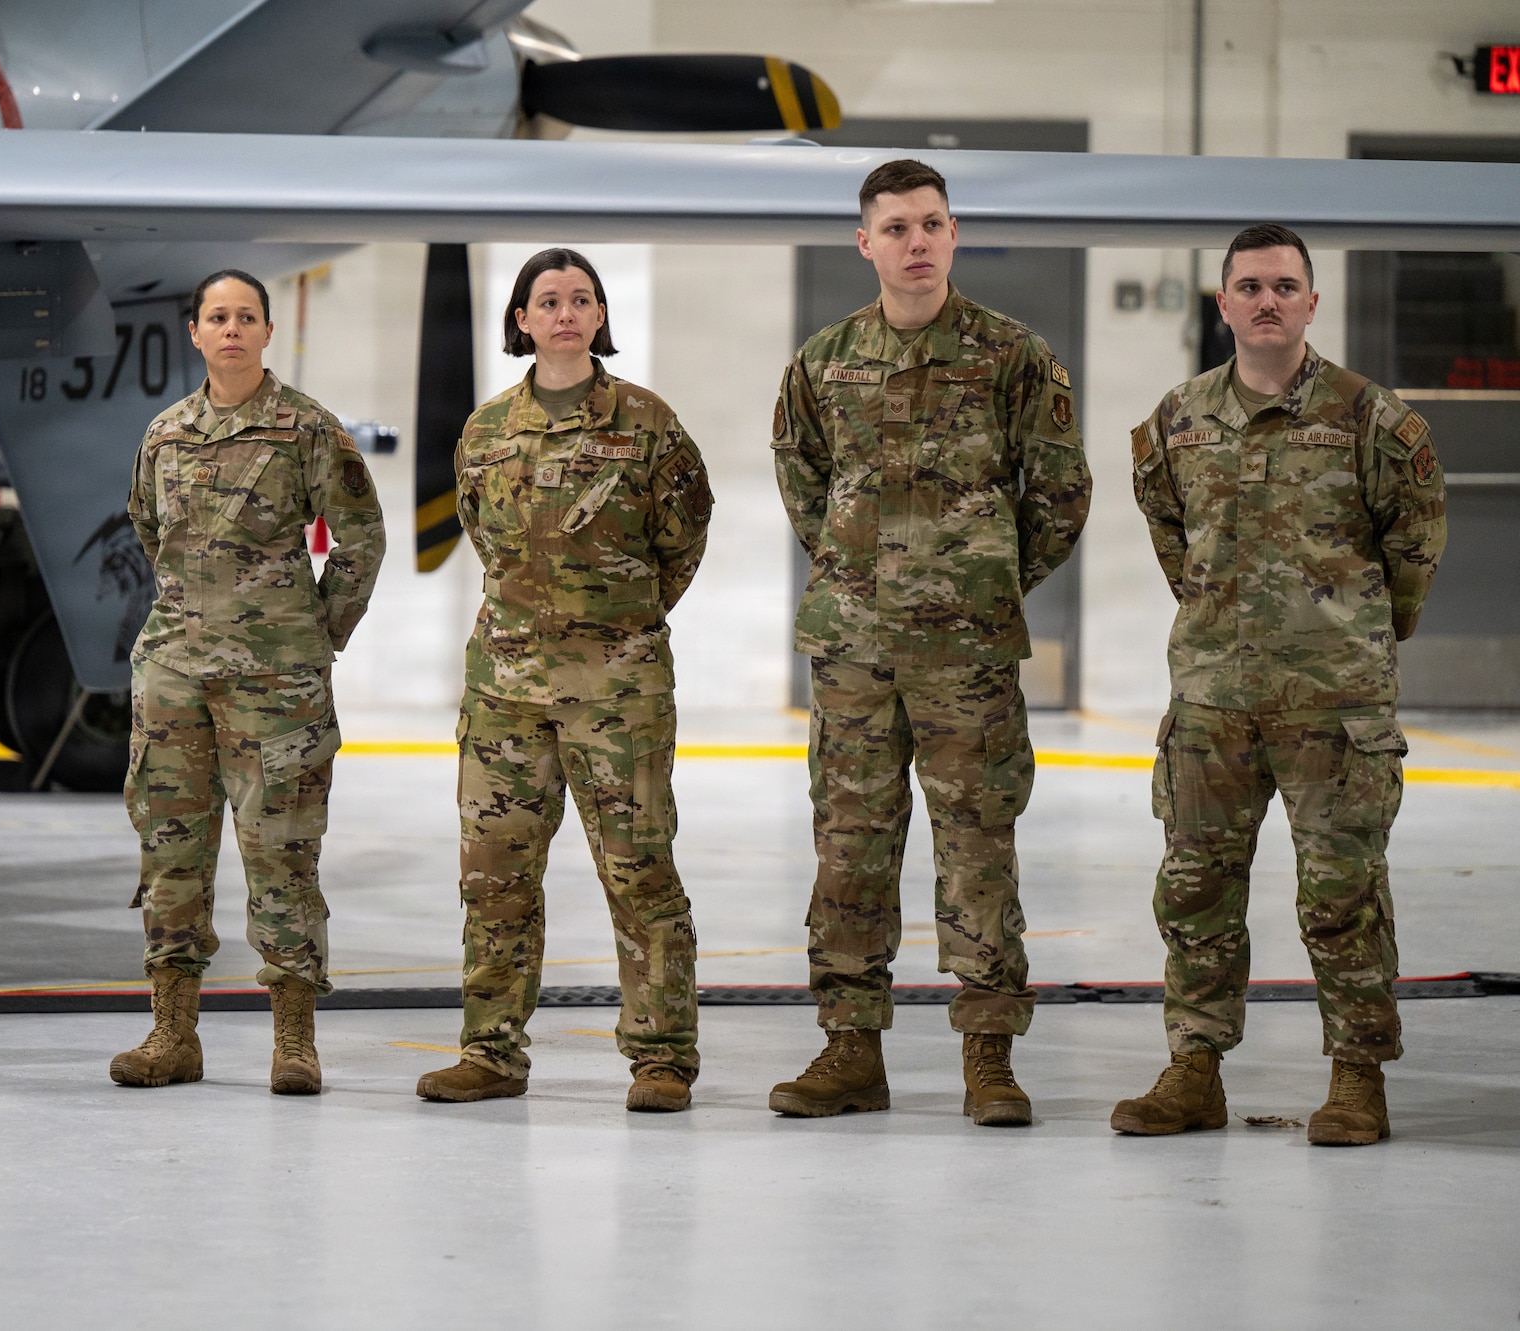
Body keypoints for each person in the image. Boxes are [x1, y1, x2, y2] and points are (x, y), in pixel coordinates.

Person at [767, 159, 1090, 1124]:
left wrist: (980, 582)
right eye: (897, 226)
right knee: (849, 848)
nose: (917, 241)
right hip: (855, 652)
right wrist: (863, 576)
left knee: (979, 845)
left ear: (954, 236)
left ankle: (989, 1054)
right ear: (864, 242)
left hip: (969, 655)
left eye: (933, 224)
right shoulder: (824, 362)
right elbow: (802, 480)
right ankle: (850, 1049)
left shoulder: (1012, 355)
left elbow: (1062, 491)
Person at [1113, 224, 1446, 1146]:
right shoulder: (1176, 420)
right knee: (1194, 888)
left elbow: (1412, 555)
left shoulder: (1372, 418)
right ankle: (1194, 1069)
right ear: (1223, 304)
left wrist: (1348, 642)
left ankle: (1356, 1077)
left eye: (1285, 286)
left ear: (1311, 302)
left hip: (1334, 708)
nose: (1267, 300)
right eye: (1249, 285)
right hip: (1213, 703)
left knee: (1344, 893)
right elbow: (1173, 540)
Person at [415, 247, 714, 1113]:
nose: (566, 313)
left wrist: (618, 616)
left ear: (600, 316)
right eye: (548, 300)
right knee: (494, 876)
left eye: (583, 298)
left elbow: (684, 534)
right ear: (521, 320)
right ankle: (491, 1051)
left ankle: (662, 1058)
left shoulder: (646, 422)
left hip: (617, 690)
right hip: (506, 689)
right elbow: (483, 533)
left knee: (639, 870)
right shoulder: (485, 429)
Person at [110, 268, 385, 1095]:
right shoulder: (165, 434)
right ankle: (172, 1032)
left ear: (268, 332)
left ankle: (294, 1040)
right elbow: (148, 529)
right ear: (194, 332)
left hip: (278, 685)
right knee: (171, 857)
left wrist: (312, 635)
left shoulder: (306, 429)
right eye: (216, 317)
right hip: (174, 678)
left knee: (282, 857)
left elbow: (360, 539)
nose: (231, 329)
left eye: (247, 317)